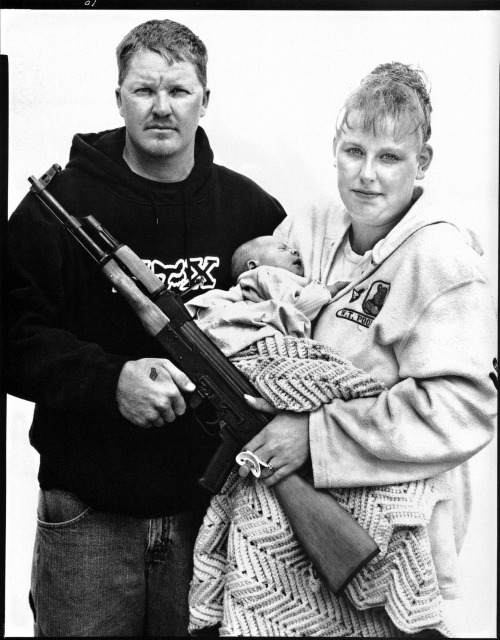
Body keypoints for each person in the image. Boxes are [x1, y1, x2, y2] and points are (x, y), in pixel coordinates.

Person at [189, 63, 497, 636]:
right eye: (354, 151)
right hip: (284, 527)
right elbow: (252, 309)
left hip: (391, 535)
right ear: (335, 148)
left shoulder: (443, 257)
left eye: (389, 158)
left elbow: (466, 406)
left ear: (421, 163)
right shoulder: (306, 224)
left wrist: (314, 435)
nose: (367, 176)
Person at [6, 19, 286, 637]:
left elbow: (296, 347)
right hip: (87, 520)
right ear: (118, 98)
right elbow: (10, 337)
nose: (162, 108)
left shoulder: (253, 211)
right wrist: (111, 383)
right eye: (144, 90)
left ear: (205, 100)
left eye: (179, 91)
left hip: (214, 520)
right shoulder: (59, 207)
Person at [185, 235, 349, 358]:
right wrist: (329, 290)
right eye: (282, 249)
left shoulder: (270, 284)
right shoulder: (264, 273)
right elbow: (294, 308)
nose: (295, 251)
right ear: (253, 265)